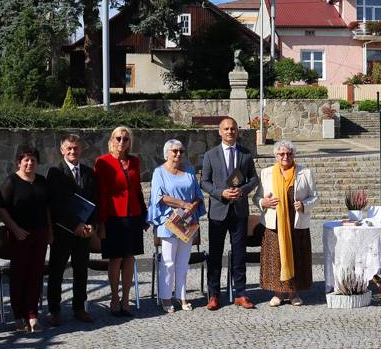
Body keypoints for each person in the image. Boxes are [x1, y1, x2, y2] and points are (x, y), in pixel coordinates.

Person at [201, 117, 259, 311]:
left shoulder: (245, 154)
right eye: (226, 129)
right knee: (215, 255)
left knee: (239, 254)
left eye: (233, 128)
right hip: (218, 211)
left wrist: (242, 190)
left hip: (239, 211)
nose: (229, 132)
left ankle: (240, 294)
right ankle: (214, 295)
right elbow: (204, 182)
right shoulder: (210, 155)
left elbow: (253, 179)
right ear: (220, 132)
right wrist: (220, 193)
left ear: (237, 131)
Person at [0, 145, 51, 333]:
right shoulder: (11, 182)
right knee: (19, 275)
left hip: (40, 234)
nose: (29, 163)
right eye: (25, 160)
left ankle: (33, 314)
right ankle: (18, 315)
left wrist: (49, 231)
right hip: (20, 235)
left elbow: (47, 209)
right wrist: (15, 229)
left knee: (36, 275)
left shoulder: (42, 182)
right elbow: (1, 208)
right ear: (18, 162)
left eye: (33, 160)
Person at [256, 141, 317, 307]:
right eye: (281, 154)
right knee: (276, 258)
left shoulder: (305, 172)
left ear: (293, 155)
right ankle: (278, 293)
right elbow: (257, 197)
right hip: (275, 224)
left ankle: (293, 293)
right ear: (276, 155)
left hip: (296, 223)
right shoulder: (266, 173)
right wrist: (264, 202)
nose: (285, 157)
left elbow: (315, 196)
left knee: (296, 257)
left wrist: (304, 205)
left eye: (289, 154)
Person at [95, 126, 147, 318]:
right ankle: (114, 298)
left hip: (133, 215)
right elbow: (100, 193)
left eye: (125, 139)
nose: (121, 143)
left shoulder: (134, 161)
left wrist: (143, 215)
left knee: (130, 257)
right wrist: (100, 221)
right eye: (118, 138)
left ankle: (126, 299)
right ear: (111, 140)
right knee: (115, 258)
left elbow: (137, 189)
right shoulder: (103, 162)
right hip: (113, 216)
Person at [46, 135, 97, 326]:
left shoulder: (88, 173)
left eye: (76, 148)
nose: (72, 151)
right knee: (57, 271)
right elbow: (56, 204)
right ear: (62, 150)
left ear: (81, 149)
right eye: (69, 148)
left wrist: (92, 224)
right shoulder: (55, 173)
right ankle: (55, 310)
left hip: (84, 232)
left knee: (81, 270)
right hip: (63, 231)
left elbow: (94, 201)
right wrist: (74, 225)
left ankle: (79, 308)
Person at [148, 139, 204, 313]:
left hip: (187, 220)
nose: (178, 154)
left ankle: (181, 296)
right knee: (168, 262)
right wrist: (182, 204)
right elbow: (159, 196)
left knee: (183, 261)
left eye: (181, 151)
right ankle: (165, 298)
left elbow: (197, 194)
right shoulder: (159, 172)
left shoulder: (189, 171)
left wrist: (192, 206)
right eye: (174, 151)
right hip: (169, 221)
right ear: (167, 153)